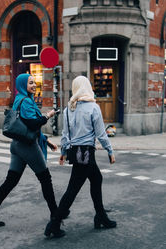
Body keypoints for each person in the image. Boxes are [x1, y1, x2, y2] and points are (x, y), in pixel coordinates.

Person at [0, 73, 65, 226]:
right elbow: (33, 124)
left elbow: (25, 127)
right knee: (45, 179)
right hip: (27, 146)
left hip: (17, 145)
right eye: (30, 83)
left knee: (10, 181)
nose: (34, 85)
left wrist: (46, 141)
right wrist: (48, 115)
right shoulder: (26, 101)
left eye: (34, 82)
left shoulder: (19, 99)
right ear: (22, 85)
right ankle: (56, 215)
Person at [44, 75, 116, 238]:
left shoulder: (69, 109)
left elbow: (65, 134)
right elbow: (101, 134)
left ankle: (100, 216)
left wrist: (63, 152)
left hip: (76, 152)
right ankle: (54, 224)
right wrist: (110, 150)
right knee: (72, 190)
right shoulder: (93, 108)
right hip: (86, 154)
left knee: (96, 179)